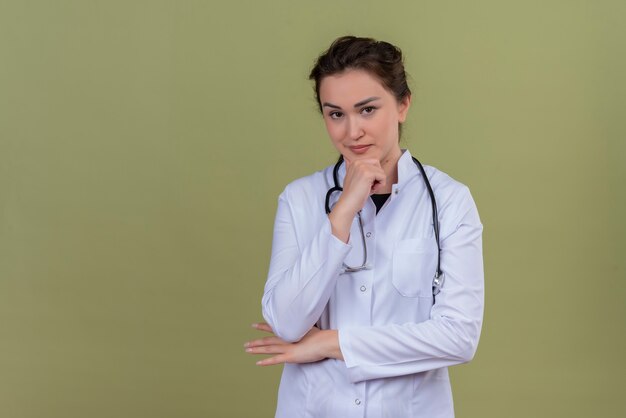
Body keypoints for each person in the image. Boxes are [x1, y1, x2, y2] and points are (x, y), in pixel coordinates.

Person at [244, 36, 484, 418]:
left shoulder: (450, 201)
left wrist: (329, 342)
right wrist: (342, 213)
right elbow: (286, 322)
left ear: (403, 105)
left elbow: (458, 338)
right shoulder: (301, 199)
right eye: (335, 114)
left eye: (367, 110)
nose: (351, 131)